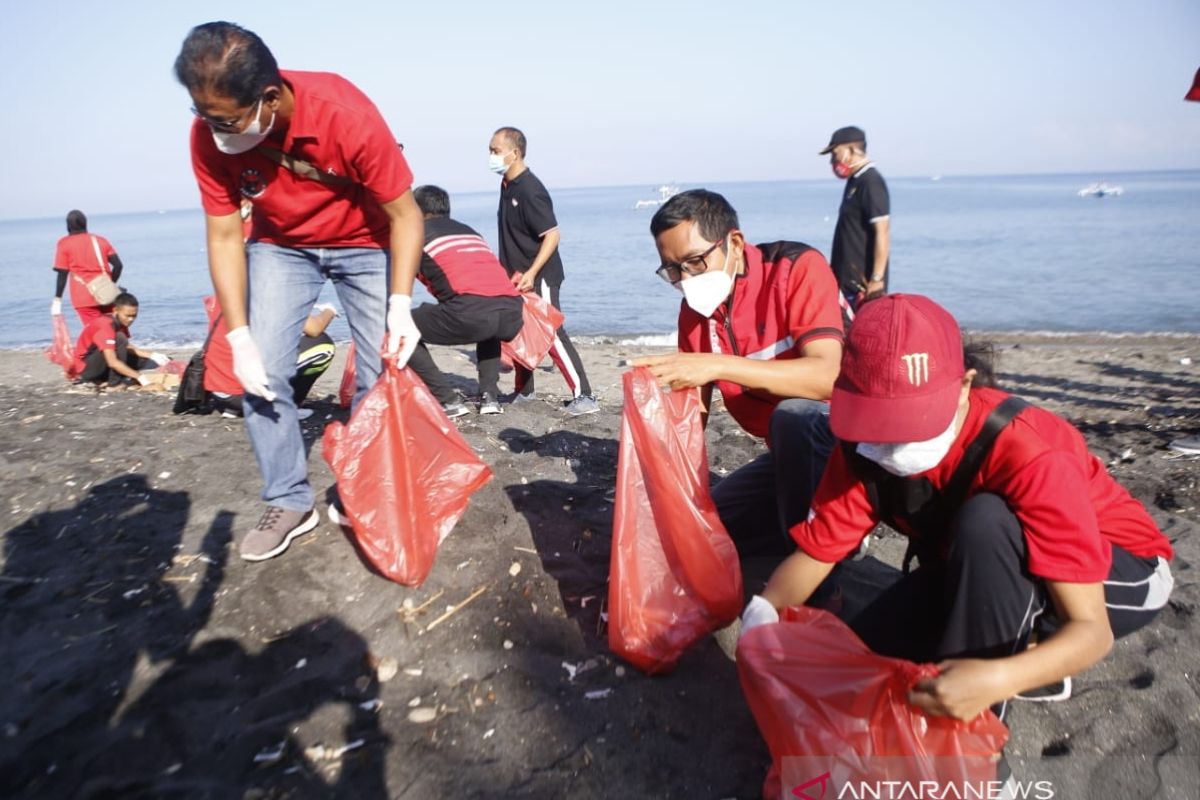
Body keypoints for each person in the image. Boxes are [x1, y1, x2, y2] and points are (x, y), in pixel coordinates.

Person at [743, 294, 1175, 722]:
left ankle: (989, 736)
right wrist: (763, 612)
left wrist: (995, 679)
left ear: (965, 384)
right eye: (878, 426)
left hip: (1120, 574)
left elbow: (1090, 631)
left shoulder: (1030, 449)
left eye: (912, 426)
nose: (894, 446)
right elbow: (818, 552)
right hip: (976, 566)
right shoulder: (863, 448)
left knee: (986, 520)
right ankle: (1022, 652)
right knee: (865, 657)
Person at [174, 21, 426, 562]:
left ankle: (358, 487)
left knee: (383, 372)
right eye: (202, 115)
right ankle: (290, 499)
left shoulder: (346, 114)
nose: (213, 131)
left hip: (367, 242)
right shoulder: (210, 136)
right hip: (281, 246)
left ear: (269, 96)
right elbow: (222, 234)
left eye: (225, 119)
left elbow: (406, 215)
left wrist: (401, 306)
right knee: (261, 370)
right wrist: (239, 336)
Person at [633, 189, 845, 556]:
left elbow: (828, 377)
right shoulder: (694, 314)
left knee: (793, 417)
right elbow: (692, 418)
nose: (686, 279)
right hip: (786, 460)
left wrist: (716, 364)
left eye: (695, 261)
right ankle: (805, 525)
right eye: (673, 270)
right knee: (701, 531)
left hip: (848, 448)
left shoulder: (796, 270)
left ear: (733, 243)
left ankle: (821, 582)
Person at [489, 126, 598, 416]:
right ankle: (524, 392)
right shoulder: (506, 186)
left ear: (515, 152)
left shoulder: (529, 189)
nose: (491, 156)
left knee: (550, 332)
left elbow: (552, 235)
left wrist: (533, 272)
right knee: (520, 330)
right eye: (490, 150)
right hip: (516, 275)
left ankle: (584, 396)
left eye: (495, 151)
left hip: (541, 275)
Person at [407, 185, 524, 417]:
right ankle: (490, 396)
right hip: (512, 312)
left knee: (397, 328)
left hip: (471, 314)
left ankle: (447, 399)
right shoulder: (470, 232)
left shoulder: (415, 234)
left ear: (417, 210)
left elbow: (396, 279)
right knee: (488, 318)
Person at [202, 297, 339, 419]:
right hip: (246, 394)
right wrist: (329, 310)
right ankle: (289, 407)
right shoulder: (267, 293)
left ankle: (232, 409)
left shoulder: (229, 291)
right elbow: (315, 329)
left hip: (219, 393)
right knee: (322, 344)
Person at [820, 126, 890, 310]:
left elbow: (882, 231)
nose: (832, 161)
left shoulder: (871, 182)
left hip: (863, 285)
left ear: (851, 150)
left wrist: (877, 278)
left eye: (835, 153)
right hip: (845, 281)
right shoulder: (855, 180)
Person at [72, 292, 168, 387]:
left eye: (134, 316)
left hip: (100, 360)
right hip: (85, 369)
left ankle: (114, 377)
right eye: (127, 316)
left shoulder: (120, 322)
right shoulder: (106, 326)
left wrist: (152, 355)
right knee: (120, 338)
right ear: (115, 310)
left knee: (145, 362)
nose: (131, 319)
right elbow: (112, 361)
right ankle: (115, 383)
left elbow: (126, 347)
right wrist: (140, 377)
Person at [52, 210, 126, 327]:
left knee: (97, 333)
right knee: (115, 329)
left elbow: (62, 273)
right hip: (107, 295)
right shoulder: (100, 240)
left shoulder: (64, 243)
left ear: (68, 226)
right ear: (85, 223)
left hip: (83, 298)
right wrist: (109, 285)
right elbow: (118, 266)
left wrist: (57, 299)